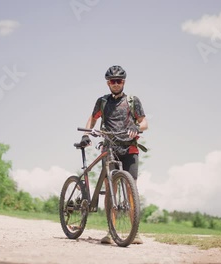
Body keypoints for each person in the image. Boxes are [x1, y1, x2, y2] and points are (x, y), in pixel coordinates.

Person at [80, 65, 148, 244]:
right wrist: (87, 134)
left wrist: (136, 126)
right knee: (111, 190)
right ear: (108, 83)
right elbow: (93, 118)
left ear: (123, 82)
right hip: (109, 149)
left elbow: (144, 123)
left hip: (129, 149)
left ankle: (135, 233)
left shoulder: (133, 101)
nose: (115, 84)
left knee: (131, 189)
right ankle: (111, 232)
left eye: (119, 81)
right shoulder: (102, 101)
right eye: (112, 81)